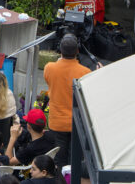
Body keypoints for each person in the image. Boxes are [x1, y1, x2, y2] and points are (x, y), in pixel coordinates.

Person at [42, 35, 90, 170]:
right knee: (75, 161)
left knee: (59, 160)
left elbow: (50, 81)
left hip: (57, 123)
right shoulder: (85, 72)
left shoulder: (49, 68)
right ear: (78, 51)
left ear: (60, 51)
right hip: (77, 123)